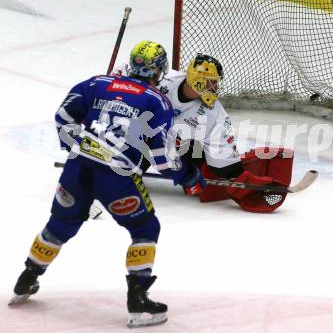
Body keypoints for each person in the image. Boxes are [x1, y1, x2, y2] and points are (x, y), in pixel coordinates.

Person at [9, 40, 206, 328]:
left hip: (76, 171)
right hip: (117, 178)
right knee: (145, 229)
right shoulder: (157, 101)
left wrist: (74, 145)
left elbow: (63, 117)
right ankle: (138, 300)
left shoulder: (97, 83)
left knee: (60, 224)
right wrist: (186, 174)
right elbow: (162, 158)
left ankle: (26, 280)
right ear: (159, 70)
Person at [114, 53, 294, 213]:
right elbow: (127, 72)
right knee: (119, 173)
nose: (215, 87)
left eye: (215, 82)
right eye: (211, 82)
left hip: (175, 151)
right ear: (197, 80)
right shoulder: (163, 80)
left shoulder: (213, 114)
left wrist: (243, 181)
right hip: (143, 139)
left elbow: (224, 163)